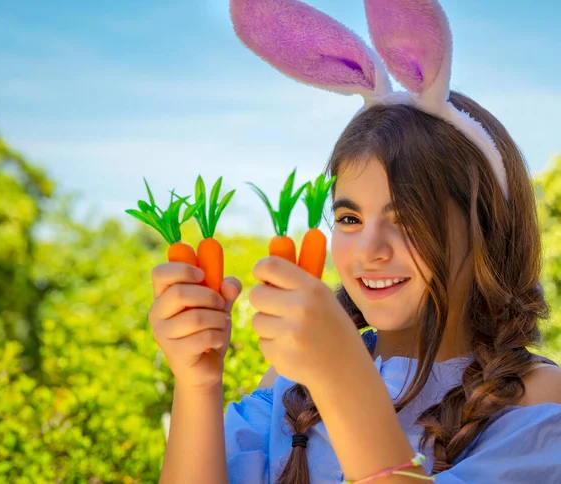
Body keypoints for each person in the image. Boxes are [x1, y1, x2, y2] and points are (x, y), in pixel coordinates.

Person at [151, 0, 561, 483]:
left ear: (488, 230)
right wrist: (198, 384)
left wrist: (342, 376)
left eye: (408, 218)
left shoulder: (538, 398)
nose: (370, 250)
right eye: (349, 217)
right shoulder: (290, 389)